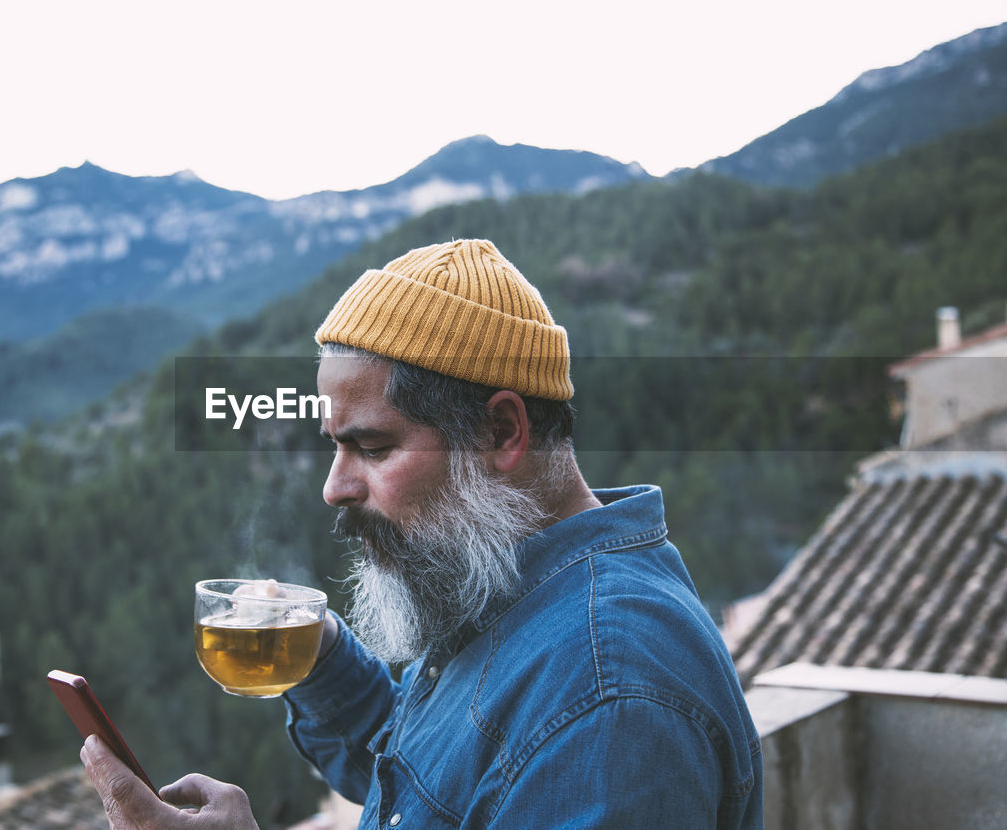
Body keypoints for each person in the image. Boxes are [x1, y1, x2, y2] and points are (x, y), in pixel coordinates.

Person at [81, 239, 764, 828]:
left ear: (500, 432)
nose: (335, 486)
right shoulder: (509, 586)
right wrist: (320, 657)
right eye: (335, 447)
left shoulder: (608, 701)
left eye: (373, 447)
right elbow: (437, 780)